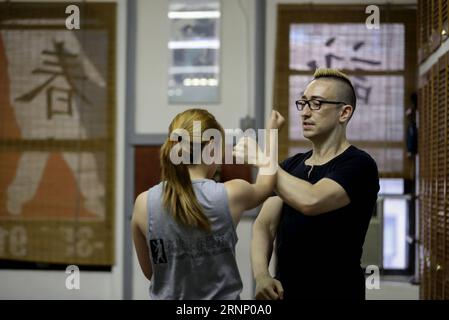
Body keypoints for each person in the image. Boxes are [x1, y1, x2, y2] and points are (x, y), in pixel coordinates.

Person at [252, 68, 380, 300]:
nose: (305, 113)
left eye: (317, 104)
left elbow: (311, 200)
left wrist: (263, 159)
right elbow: (264, 225)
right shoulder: (291, 166)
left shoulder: (360, 165)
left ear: (344, 113)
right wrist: (262, 275)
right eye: (303, 103)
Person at [132, 108, 284, 300]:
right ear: (211, 147)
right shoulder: (230, 194)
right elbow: (266, 183)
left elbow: (153, 271)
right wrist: (272, 135)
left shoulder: (143, 203)